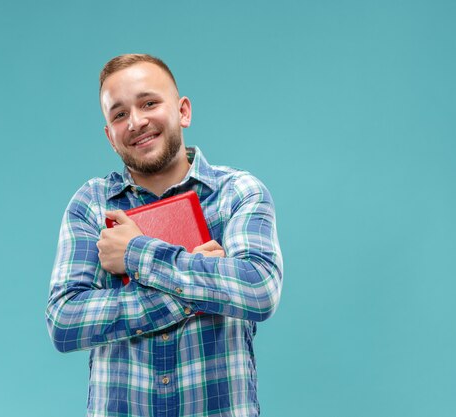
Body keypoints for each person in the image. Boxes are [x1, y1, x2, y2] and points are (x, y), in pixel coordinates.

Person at [46, 53, 283, 417]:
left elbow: (258, 288)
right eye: (119, 114)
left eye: (149, 103)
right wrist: (200, 286)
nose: (136, 122)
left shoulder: (239, 192)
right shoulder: (92, 203)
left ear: (183, 111)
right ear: (110, 136)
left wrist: (135, 253)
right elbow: (65, 321)